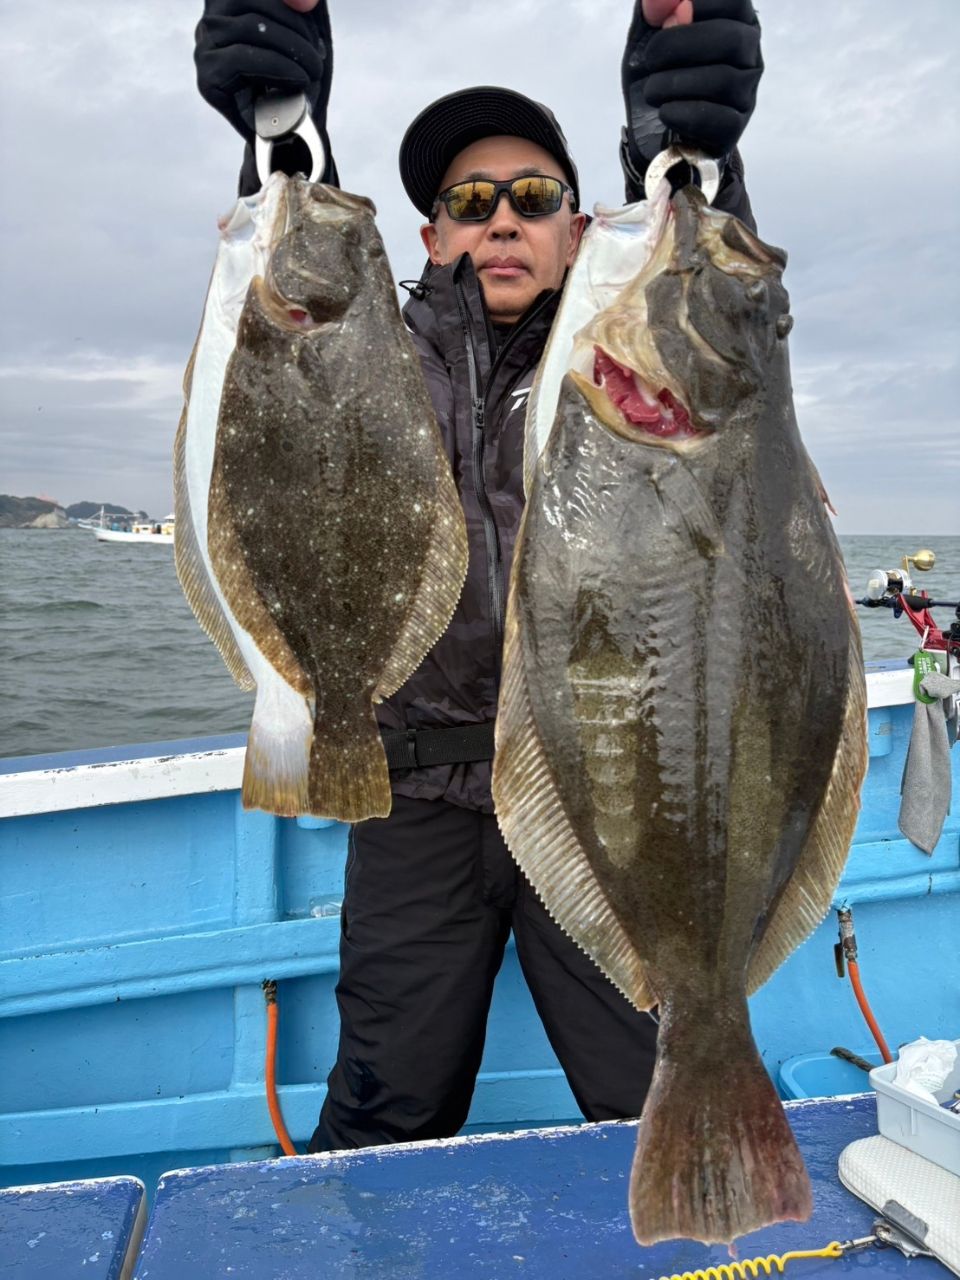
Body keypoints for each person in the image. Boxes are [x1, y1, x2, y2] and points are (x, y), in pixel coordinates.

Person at [194, 0, 763, 1152]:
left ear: (578, 224)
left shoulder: (623, 358)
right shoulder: (373, 354)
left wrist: (696, 142)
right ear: (429, 238)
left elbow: (721, 329)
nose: (500, 220)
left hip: (594, 781)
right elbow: (300, 313)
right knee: (385, 1109)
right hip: (410, 801)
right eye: (466, 201)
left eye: (533, 197)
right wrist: (276, 118)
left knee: (646, 1096)